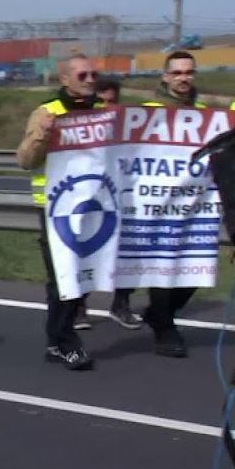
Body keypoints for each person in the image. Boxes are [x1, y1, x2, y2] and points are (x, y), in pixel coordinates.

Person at [16, 54, 103, 371]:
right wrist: (43, 135)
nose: (91, 79)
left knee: (81, 278)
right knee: (64, 278)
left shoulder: (103, 114)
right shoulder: (47, 112)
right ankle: (66, 343)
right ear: (64, 79)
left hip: (95, 209)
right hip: (57, 210)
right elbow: (25, 160)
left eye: (94, 74)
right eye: (83, 75)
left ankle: (55, 341)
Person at [137, 51, 207, 358]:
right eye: (177, 72)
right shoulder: (148, 112)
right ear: (165, 76)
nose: (183, 78)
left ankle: (157, 313)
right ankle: (165, 329)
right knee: (163, 266)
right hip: (156, 203)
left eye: (188, 72)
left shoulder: (205, 114)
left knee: (195, 268)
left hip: (195, 204)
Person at [73, 78, 143, 332]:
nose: (106, 107)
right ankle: (79, 306)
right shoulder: (79, 126)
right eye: (101, 101)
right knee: (88, 251)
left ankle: (121, 305)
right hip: (90, 197)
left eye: (111, 102)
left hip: (121, 198)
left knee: (125, 253)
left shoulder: (126, 128)